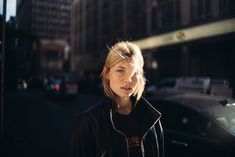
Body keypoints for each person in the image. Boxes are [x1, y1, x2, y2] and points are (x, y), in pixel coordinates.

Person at [68, 41, 164, 157]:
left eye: (134, 73)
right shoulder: (88, 123)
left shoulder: (152, 120)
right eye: (120, 71)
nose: (128, 79)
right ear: (107, 73)